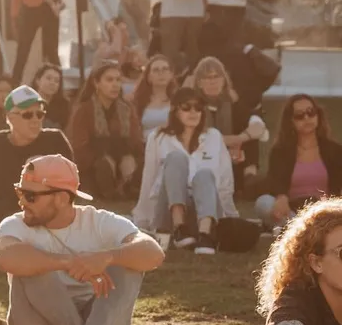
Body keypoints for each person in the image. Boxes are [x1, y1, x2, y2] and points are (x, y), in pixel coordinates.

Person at [0, 155, 165, 325]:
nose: (22, 202)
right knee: (29, 266)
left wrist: (107, 257)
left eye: (30, 195)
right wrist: (68, 262)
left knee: (128, 263)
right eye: (20, 192)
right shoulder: (16, 224)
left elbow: (153, 253)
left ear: (62, 198)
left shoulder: (98, 221)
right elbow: (5, 256)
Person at [0, 85, 74, 254]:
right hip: (6, 226)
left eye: (40, 114)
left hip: (47, 223)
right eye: (27, 114)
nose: (35, 119)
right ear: (9, 118)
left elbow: (70, 193)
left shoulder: (55, 140)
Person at [133, 87, 237, 254]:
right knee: (175, 159)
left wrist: (231, 217)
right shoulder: (158, 137)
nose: (193, 112)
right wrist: (142, 220)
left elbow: (225, 182)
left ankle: (205, 235)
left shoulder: (213, 137)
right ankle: (179, 226)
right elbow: (149, 179)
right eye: (186, 107)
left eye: (198, 108)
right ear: (175, 111)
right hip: (167, 209)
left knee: (204, 175)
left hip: (204, 210)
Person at [255, 94, 342, 231]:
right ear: (291, 121)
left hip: (323, 210)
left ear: (318, 115)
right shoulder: (280, 151)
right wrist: (281, 197)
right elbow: (275, 182)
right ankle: (300, 229)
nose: (307, 118)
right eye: (299, 115)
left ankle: (290, 230)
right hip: (290, 210)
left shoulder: (334, 150)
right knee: (263, 203)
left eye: (311, 112)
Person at [68, 61, 144, 199]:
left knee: (133, 161)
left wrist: (127, 157)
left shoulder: (127, 108)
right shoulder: (84, 110)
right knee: (104, 165)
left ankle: (127, 188)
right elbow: (79, 148)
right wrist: (106, 158)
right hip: (94, 167)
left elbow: (136, 141)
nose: (115, 84)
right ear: (96, 83)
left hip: (123, 161)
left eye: (118, 80)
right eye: (109, 80)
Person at [190, 55, 264, 188]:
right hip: (204, 160)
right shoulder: (193, 106)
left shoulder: (232, 103)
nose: (213, 82)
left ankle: (250, 177)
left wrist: (241, 139)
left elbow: (258, 126)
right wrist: (235, 141)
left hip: (232, 158)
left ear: (224, 80)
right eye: (207, 78)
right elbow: (204, 137)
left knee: (250, 137)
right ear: (199, 83)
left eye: (216, 77)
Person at [131, 54, 177, 138]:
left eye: (165, 69)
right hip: (144, 146)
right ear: (148, 77)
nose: (161, 73)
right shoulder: (137, 101)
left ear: (171, 75)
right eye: (156, 70)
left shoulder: (179, 101)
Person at [31, 63, 71, 131]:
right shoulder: (27, 101)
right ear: (37, 81)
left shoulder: (64, 105)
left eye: (56, 81)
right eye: (48, 78)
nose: (52, 83)